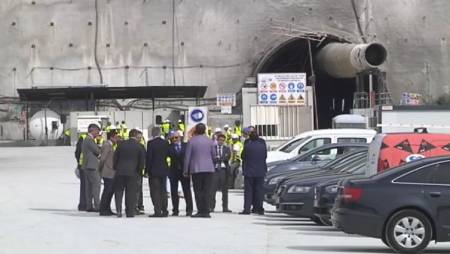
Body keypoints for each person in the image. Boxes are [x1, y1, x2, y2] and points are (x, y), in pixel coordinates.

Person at [183, 123, 216, 218]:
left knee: (198, 191)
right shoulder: (210, 141)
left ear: (196, 130)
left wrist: (186, 170)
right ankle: (207, 210)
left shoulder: (192, 141)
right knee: (207, 190)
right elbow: (214, 155)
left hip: (196, 169)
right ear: (205, 130)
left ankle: (201, 210)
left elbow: (187, 157)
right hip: (209, 169)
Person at [113, 129, 146, 218]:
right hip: (133, 173)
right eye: (139, 137)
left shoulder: (121, 144)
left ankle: (119, 210)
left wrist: (116, 168)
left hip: (120, 172)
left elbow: (115, 157)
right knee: (130, 192)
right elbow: (141, 161)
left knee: (119, 191)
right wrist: (139, 172)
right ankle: (130, 212)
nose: (140, 139)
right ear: (135, 136)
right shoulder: (140, 146)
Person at [239, 130, 267, 215]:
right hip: (260, 171)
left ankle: (247, 209)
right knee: (259, 191)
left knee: (248, 191)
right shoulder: (262, 146)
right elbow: (265, 156)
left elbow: (242, 156)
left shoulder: (247, 146)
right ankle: (259, 208)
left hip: (249, 171)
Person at [168, 131, 193, 216]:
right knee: (174, 192)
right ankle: (175, 210)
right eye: (172, 138)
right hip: (173, 172)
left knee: (187, 191)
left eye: (176, 137)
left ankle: (189, 210)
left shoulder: (186, 146)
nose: (174, 140)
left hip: (184, 171)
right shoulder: (169, 147)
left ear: (180, 137)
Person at [146, 127, 170, 217]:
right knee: (163, 190)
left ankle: (157, 210)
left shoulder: (150, 143)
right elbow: (168, 155)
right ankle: (165, 210)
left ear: (152, 133)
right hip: (163, 170)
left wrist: (147, 170)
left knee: (155, 191)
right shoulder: (165, 143)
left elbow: (149, 158)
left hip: (153, 170)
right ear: (160, 133)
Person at [81, 124, 102, 212]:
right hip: (92, 166)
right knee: (96, 186)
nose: (98, 133)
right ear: (92, 130)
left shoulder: (86, 139)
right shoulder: (89, 140)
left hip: (86, 166)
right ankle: (97, 205)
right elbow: (97, 151)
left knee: (89, 187)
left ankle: (89, 205)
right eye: (97, 131)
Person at [99, 130, 119, 216]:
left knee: (110, 191)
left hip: (111, 172)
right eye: (116, 137)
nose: (117, 139)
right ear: (111, 137)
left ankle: (107, 208)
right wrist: (100, 169)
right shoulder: (107, 145)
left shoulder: (112, 145)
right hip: (108, 171)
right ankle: (103, 209)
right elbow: (103, 159)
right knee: (107, 191)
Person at [210, 134, 232, 213]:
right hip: (215, 170)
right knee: (212, 190)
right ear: (217, 140)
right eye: (220, 140)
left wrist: (220, 158)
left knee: (224, 190)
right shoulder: (213, 148)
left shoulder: (227, 148)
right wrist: (217, 159)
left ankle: (225, 207)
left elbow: (228, 157)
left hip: (223, 170)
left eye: (223, 140)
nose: (221, 142)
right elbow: (212, 157)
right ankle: (211, 207)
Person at [74, 133, 87, 211]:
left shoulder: (99, 137)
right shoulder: (83, 137)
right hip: (84, 166)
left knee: (90, 186)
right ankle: (83, 204)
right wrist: (80, 163)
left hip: (92, 166)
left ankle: (87, 203)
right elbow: (77, 152)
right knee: (84, 186)